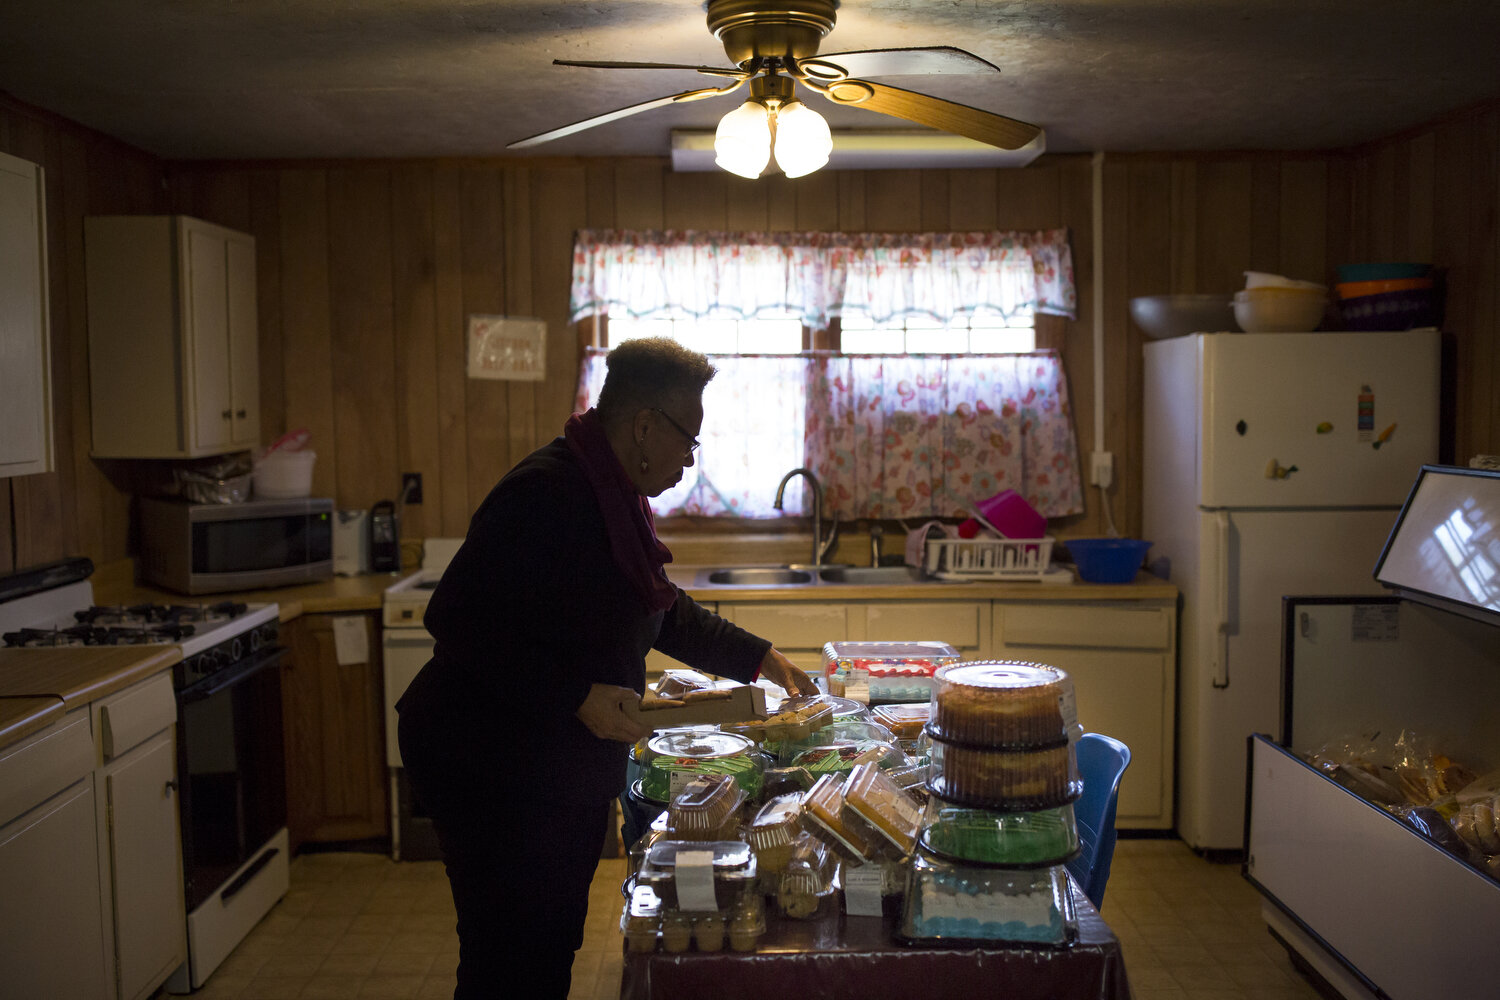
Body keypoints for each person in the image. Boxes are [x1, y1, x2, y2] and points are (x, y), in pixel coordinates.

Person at [396, 337, 818, 999]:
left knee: (548, 939)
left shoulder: (613, 498)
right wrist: (574, 695)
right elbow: (456, 619)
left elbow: (659, 612)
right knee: (510, 955)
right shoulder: (548, 492)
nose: (690, 458)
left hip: (548, 756)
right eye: (688, 440)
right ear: (645, 425)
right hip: (488, 758)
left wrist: (760, 657)